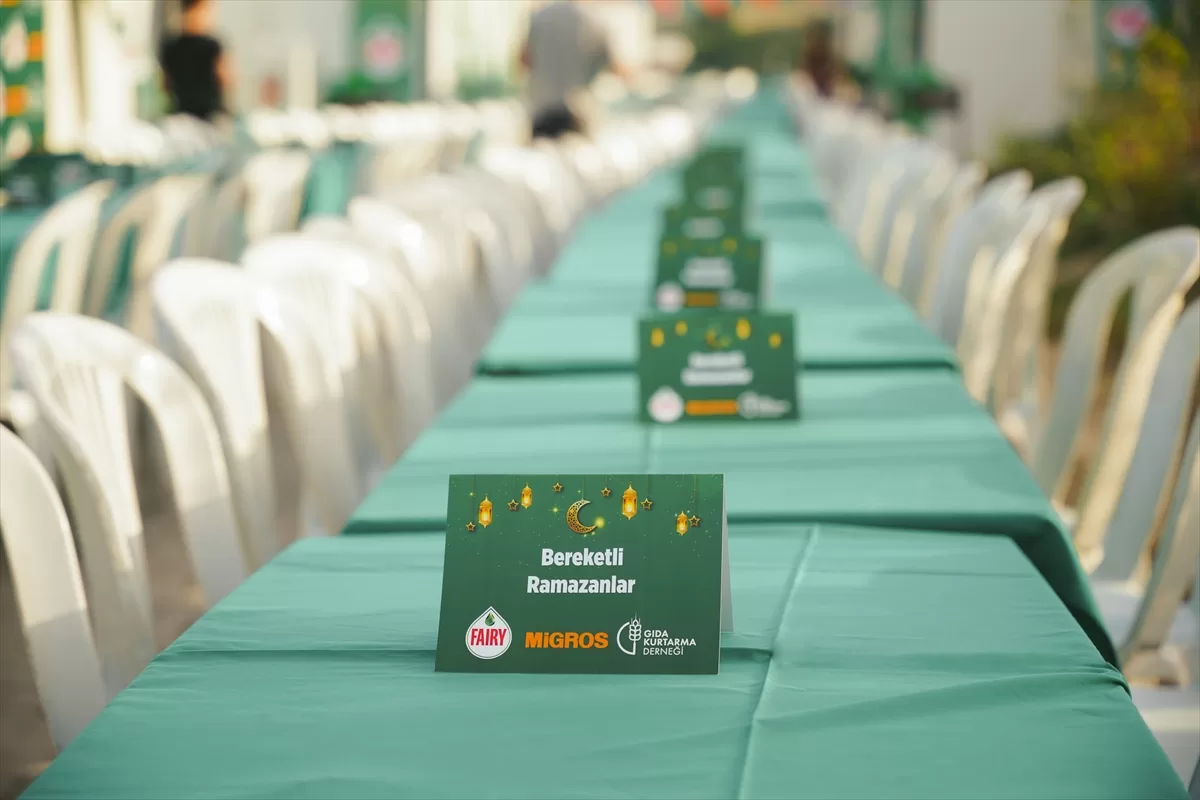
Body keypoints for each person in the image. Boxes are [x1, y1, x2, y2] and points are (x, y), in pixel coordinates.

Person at [521, 0, 619, 139]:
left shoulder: (539, 16)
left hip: (542, 111)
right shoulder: (593, 20)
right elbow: (612, 65)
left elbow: (524, 60)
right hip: (576, 111)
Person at [159, 0, 232, 121]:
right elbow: (226, 79)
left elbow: (165, 85)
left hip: (180, 116)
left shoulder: (170, 46)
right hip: (209, 118)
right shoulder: (212, 46)